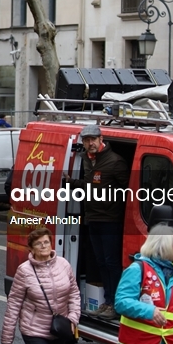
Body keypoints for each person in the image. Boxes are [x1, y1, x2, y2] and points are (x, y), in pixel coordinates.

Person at [1, 226, 80, 344]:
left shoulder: (63, 264)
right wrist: (8, 333)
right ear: (31, 248)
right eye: (39, 243)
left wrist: (73, 318)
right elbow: (15, 301)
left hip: (59, 326)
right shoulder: (24, 271)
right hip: (33, 326)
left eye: (46, 242)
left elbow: (74, 293)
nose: (44, 246)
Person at [65, 124, 130, 321]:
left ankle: (115, 303)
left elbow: (129, 191)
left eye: (93, 139)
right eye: (86, 140)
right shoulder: (87, 159)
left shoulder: (115, 161)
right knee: (101, 262)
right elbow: (90, 184)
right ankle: (108, 301)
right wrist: (71, 182)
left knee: (111, 263)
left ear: (101, 139)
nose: (90, 143)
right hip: (92, 218)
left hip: (111, 220)